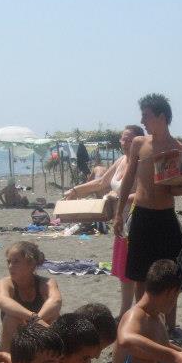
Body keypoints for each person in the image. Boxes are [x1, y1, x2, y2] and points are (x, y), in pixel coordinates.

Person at [113, 95, 182, 327]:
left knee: (171, 274)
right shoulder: (140, 144)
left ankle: (170, 326)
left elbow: (180, 188)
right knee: (140, 275)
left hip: (165, 217)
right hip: (141, 215)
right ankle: (143, 324)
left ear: (161, 117)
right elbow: (128, 179)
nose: (142, 121)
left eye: (146, 116)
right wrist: (119, 213)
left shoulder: (180, 149)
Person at [67, 126, 143, 318]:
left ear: (139, 141)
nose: (125, 143)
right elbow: (100, 183)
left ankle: (139, 314)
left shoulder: (143, 162)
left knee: (137, 273)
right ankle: (125, 312)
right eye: (123, 139)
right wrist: (75, 191)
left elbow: (145, 193)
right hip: (120, 222)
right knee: (124, 272)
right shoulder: (121, 160)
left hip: (137, 221)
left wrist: (119, 197)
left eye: (130, 139)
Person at [0, 242, 62, 353]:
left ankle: (54, 356)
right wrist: (34, 318)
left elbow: (56, 301)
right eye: (9, 262)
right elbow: (1, 300)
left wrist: (36, 322)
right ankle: (7, 360)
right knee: (11, 318)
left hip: (38, 335)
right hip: (13, 340)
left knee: (54, 316)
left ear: (31, 264)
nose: (10, 266)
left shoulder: (46, 283)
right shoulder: (5, 283)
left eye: (16, 262)